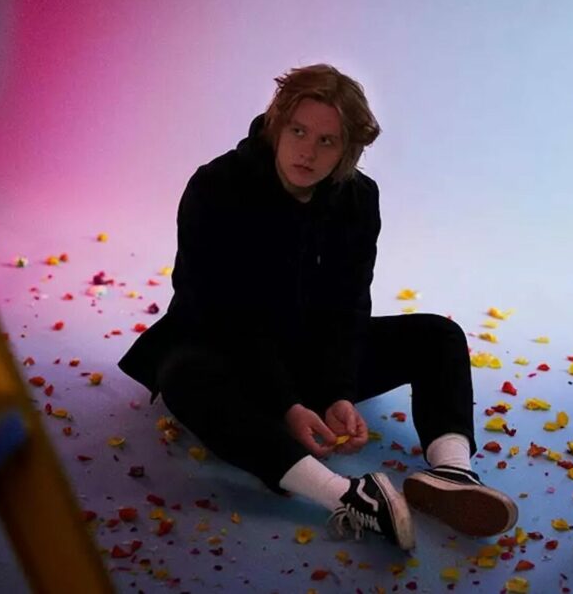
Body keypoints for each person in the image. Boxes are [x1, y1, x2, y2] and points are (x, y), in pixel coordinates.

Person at [118, 64, 517, 550]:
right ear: (277, 126)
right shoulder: (216, 186)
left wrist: (338, 393)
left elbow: (348, 305)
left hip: (307, 353)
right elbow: (219, 314)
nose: (307, 150)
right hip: (228, 351)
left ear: (347, 150)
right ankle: (346, 496)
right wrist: (287, 406)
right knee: (182, 373)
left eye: (327, 141)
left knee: (438, 336)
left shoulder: (357, 197)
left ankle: (453, 473)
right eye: (299, 131)